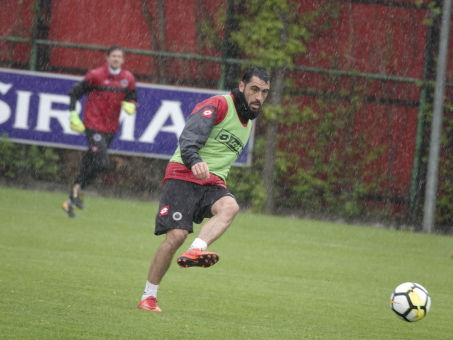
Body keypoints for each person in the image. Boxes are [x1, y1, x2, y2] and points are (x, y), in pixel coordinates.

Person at [137, 66, 271, 312]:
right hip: (183, 174)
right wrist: (194, 159)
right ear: (242, 87)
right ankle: (149, 296)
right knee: (175, 237)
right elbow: (190, 135)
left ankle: (196, 250)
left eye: (264, 92)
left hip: (212, 182)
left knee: (230, 207)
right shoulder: (219, 104)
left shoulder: (248, 124)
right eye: (254, 89)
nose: (259, 97)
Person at [62, 45, 138, 218]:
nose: (116, 59)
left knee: (90, 163)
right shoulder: (95, 76)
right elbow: (74, 92)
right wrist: (73, 114)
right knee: (102, 163)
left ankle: (70, 200)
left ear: (123, 60)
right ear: (107, 58)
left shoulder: (128, 79)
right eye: (113, 56)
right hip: (93, 124)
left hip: (111, 128)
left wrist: (131, 105)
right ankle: (78, 188)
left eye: (119, 56)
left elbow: (133, 97)